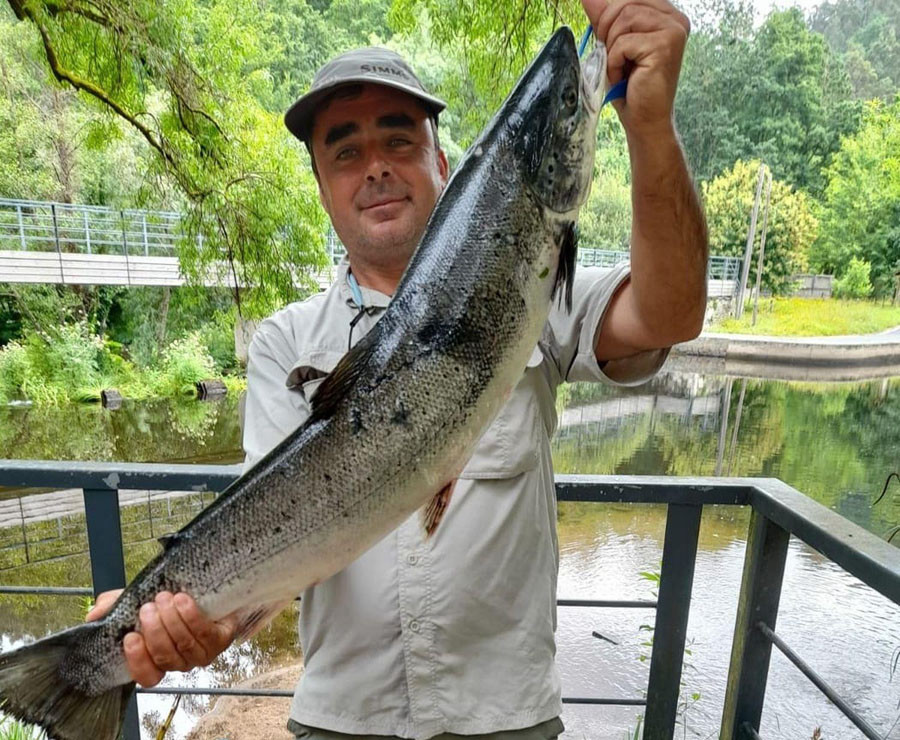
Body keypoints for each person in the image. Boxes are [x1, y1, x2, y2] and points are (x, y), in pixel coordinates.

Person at [87, 1, 708, 737]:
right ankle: (85, 671)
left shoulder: (536, 280)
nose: (375, 164)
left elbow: (669, 315)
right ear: (322, 187)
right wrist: (189, 623)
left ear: (442, 162)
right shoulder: (287, 344)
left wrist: (649, 126)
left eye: (399, 138)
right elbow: (267, 548)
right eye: (344, 151)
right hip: (343, 721)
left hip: (506, 719)